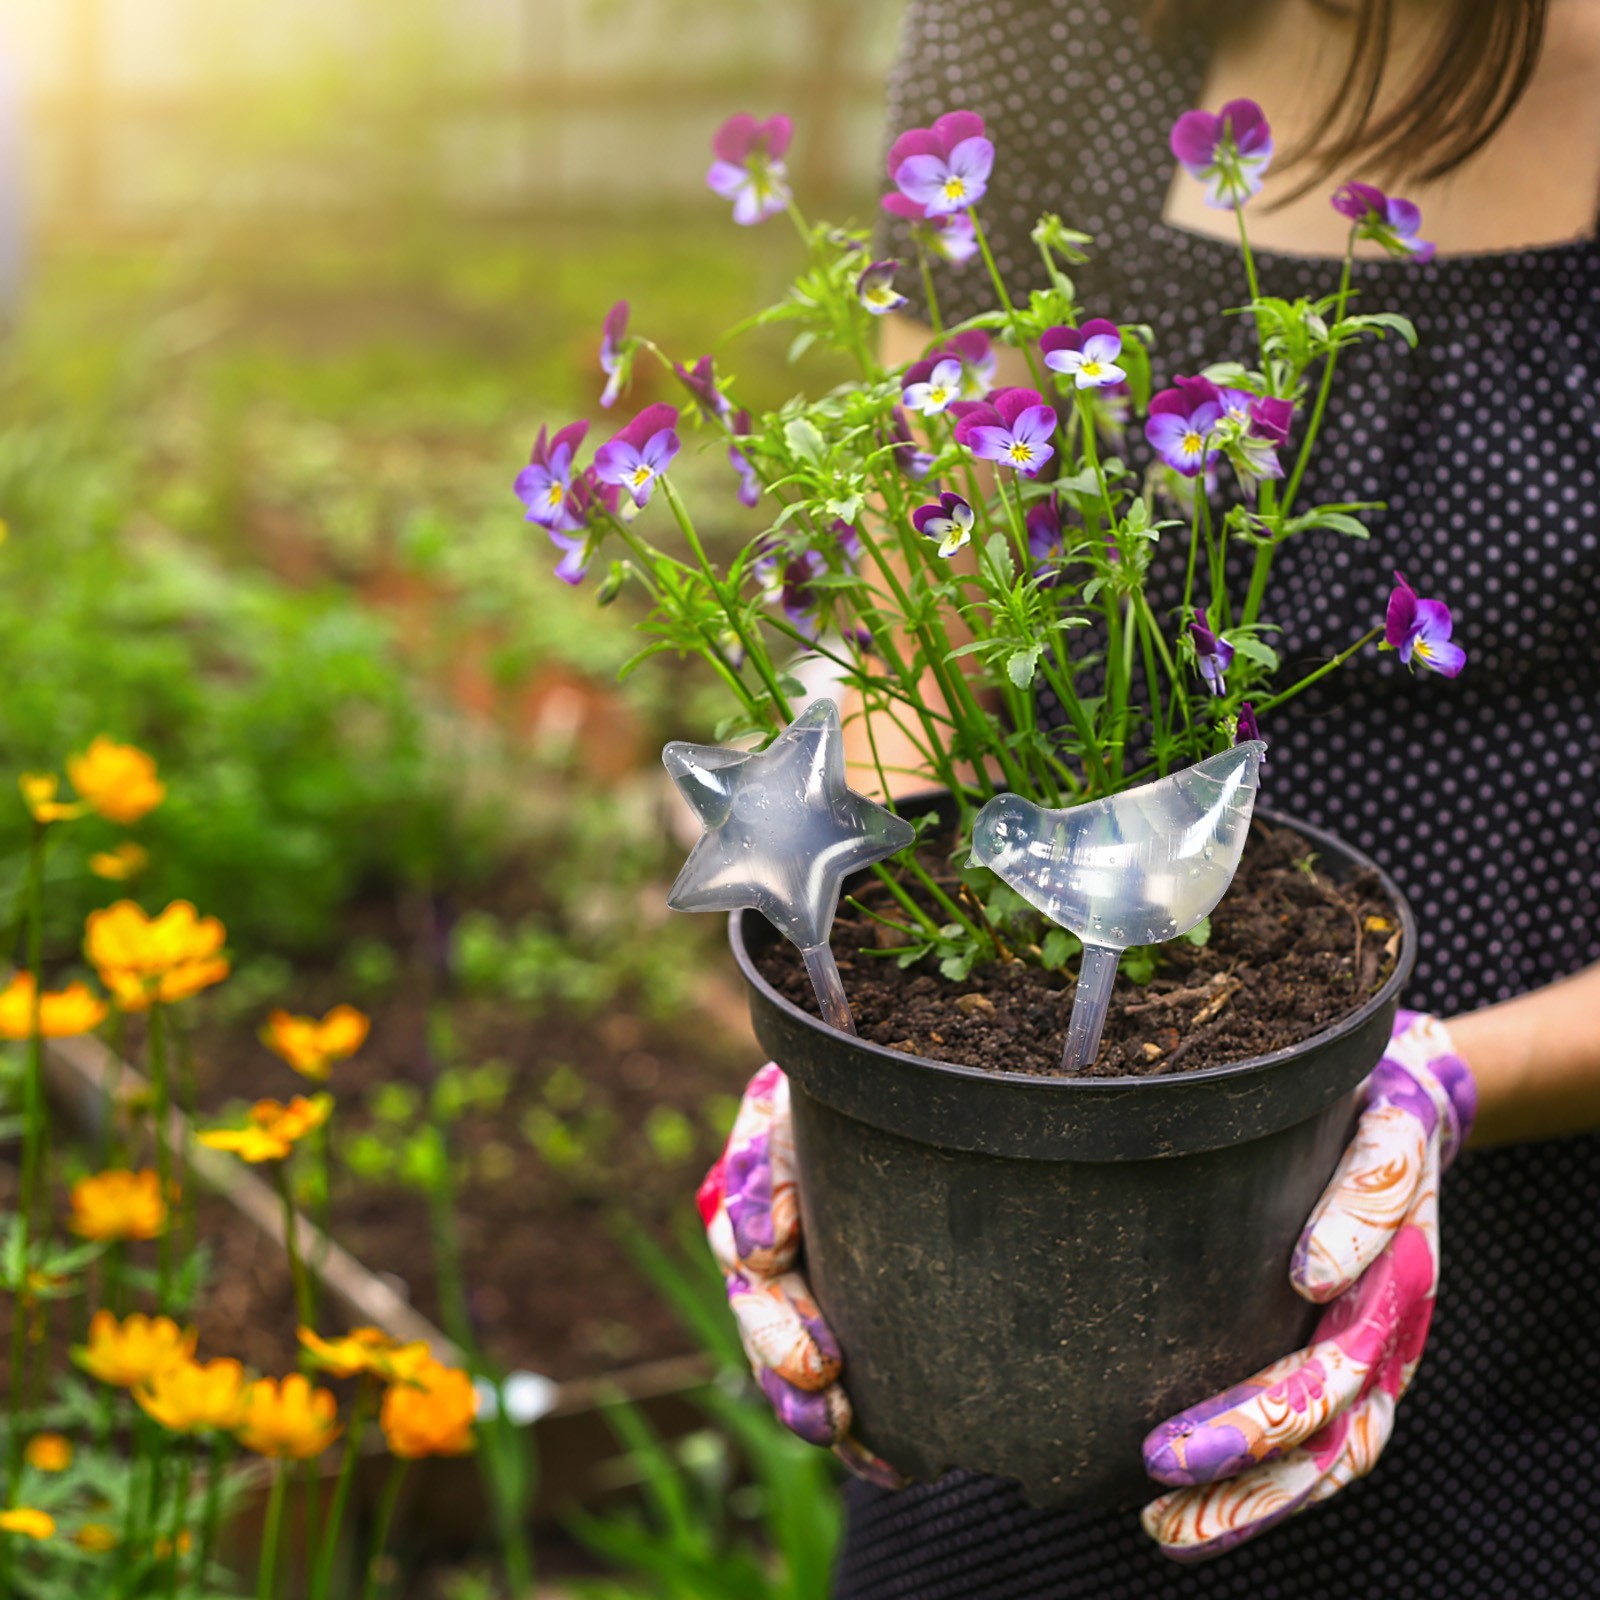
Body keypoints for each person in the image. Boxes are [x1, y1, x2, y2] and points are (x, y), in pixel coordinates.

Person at [700, 0, 1600, 1593]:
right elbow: (931, 631)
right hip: (1042, 1169)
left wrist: (1444, 1089)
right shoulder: (1044, 30)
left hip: (1548, 1252)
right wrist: (831, 1029)